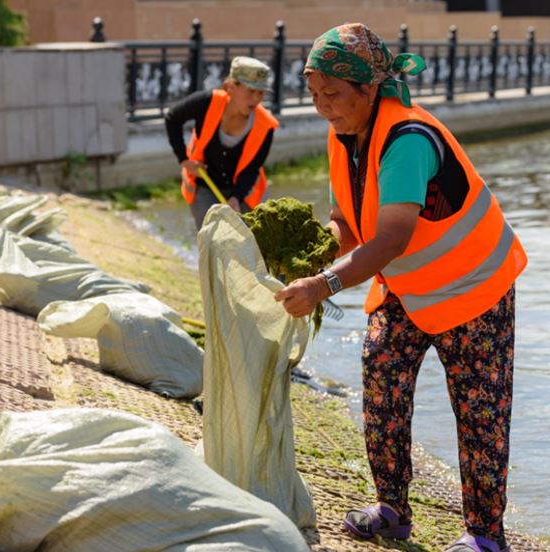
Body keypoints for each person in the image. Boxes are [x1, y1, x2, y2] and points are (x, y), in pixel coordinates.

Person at [274, 23, 527, 552]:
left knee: (480, 414)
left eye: (334, 94)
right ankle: (391, 510)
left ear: (369, 90)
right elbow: (349, 220)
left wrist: (323, 284)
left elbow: (390, 238)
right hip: (407, 292)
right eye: (314, 94)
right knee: (382, 385)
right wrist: (313, 252)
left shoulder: (408, 139)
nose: (323, 106)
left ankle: (485, 536)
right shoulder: (344, 133)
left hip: (474, 289)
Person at [164, 56, 278, 230]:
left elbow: (252, 169)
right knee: (212, 239)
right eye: (251, 91)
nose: (256, 99)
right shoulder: (206, 102)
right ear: (231, 87)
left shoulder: (266, 125)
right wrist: (184, 159)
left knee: (248, 243)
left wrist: (235, 197)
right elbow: (172, 118)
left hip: (244, 191)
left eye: (261, 93)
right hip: (204, 183)